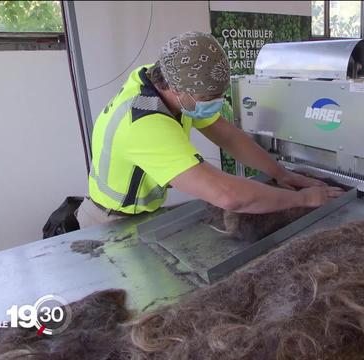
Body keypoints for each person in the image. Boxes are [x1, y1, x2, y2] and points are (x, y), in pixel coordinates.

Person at [76, 32, 343, 228]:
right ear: (177, 90)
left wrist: (281, 173)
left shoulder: (159, 78)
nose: (214, 105)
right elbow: (228, 196)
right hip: (110, 222)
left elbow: (228, 136)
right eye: (207, 98)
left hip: (142, 213)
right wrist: (304, 199)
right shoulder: (145, 124)